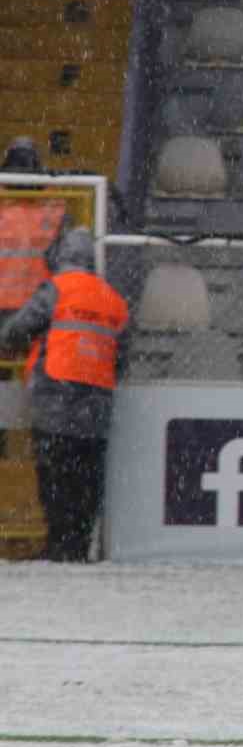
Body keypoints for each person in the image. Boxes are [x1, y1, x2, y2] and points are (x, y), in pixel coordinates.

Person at [0, 226, 126, 561]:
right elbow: (121, 357)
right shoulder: (113, 299)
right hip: (96, 409)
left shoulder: (56, 289)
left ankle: (59, 547)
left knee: (56, 480)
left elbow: (17, 330)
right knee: (86, 483)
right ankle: (79, 547)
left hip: (55, 400)